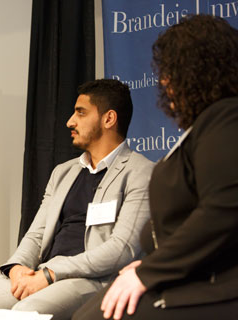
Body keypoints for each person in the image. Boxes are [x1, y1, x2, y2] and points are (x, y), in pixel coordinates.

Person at [0, 79, 154, 319]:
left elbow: (121, 249)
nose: (70, 121)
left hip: (93, 280)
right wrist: (16, 268)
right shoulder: (64, 172)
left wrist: (52, 273)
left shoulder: (140, 172)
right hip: (43, 274)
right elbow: (36, 234)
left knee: (27, 312)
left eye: (80, 112)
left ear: (109, 119)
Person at [73, 15, 238, 320]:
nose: (163, 81)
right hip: (184, 275)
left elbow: (223, 210)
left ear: (197, 70)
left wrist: (152, 270)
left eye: (170, 71)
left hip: (216, 286)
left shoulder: (226, 119)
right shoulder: (206, 127)